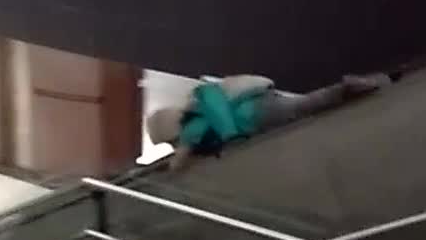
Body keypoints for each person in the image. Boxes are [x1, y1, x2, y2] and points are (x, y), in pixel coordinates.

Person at [147, 71, 393, 172]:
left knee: (303, 107)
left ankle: (345, 89)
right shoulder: (197, 110)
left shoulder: (191, 126)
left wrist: (172, 165)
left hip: (255, 113)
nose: (172, 145)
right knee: (301, 106)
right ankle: (362, 85)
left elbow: (181, 158)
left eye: (168, 142)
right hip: (257, 102)